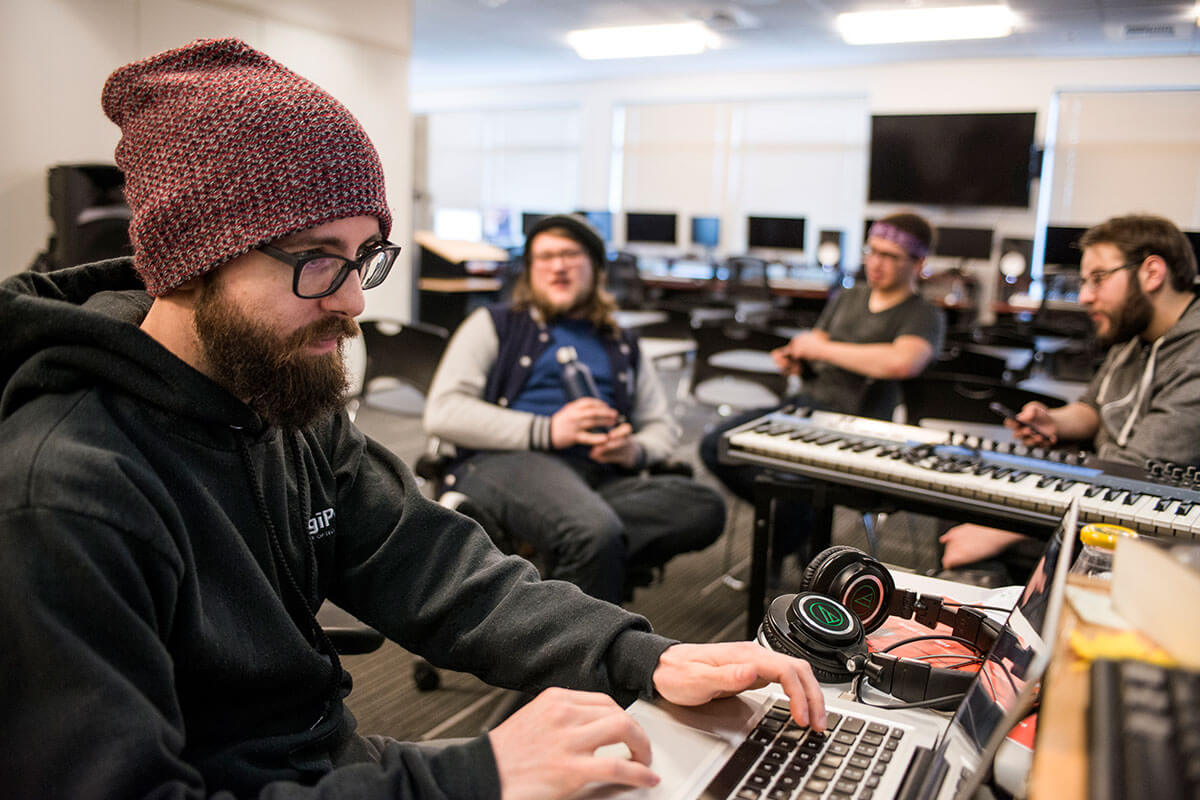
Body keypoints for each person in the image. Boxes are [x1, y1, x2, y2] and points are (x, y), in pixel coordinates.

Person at [0, 39, 826, 800]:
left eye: (364, 257)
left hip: (337, 767)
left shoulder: (278, 393)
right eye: (319, 259)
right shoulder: (65, 492)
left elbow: (433, 566)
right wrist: (470, 776)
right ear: (189, 262)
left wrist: (643, 656)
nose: (355, 302)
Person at [423, 213, 726, 605]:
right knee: (592, 532)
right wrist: (548, 429)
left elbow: (660, 427)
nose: (558, 265)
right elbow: (443, 412)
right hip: (507, 461)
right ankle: (567, 652)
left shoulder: (622, 342)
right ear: (530, 271)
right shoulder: (495, 325)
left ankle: (537, 539)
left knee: (704, 506)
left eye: (570, 254)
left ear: (597, 268)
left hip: (598, 476)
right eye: (545, 257)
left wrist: (633, 449)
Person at [940, 213, 1200, 571]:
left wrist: (1006, 529)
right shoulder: (1135, 335)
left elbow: (1140, 473)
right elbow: (1095, 407)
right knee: (956, 505)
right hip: (1103, 496)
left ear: (1152, 273)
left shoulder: (1194, 352)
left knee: (979, 550)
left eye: (1098, 279)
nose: (1084, 296)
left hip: (1153, 533)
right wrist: (1054, 421)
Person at [698, 212, 945, 566]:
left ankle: (786, 541)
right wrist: (799, 360)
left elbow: (902, 361)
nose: (876, 262)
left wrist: (818, 350)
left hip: (858, 427)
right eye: (872, 251)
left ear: (918, 263)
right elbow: (817, 344)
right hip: (805, 406)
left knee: (795, 483)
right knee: (716, 445)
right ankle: (796, 525)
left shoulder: (922, 314)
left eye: (890, 256)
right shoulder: (849, 297)